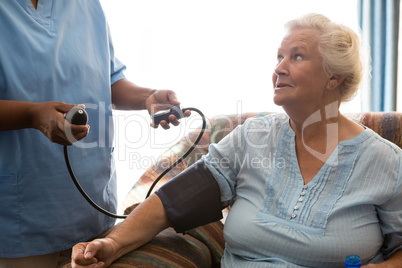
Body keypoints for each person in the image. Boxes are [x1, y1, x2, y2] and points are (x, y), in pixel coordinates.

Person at [71, 13, 402, 268]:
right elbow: (173, 201)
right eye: (279, 57)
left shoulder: (386, 162)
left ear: (334, 77)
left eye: (297, 57)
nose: (279, 69)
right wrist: (112, 244)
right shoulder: (251, 138)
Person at [0, 0, 189, 267]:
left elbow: (106, 78)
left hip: (93, 212)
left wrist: (148, 97)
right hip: (21, 222)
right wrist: (32, 115)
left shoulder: (86, 5)